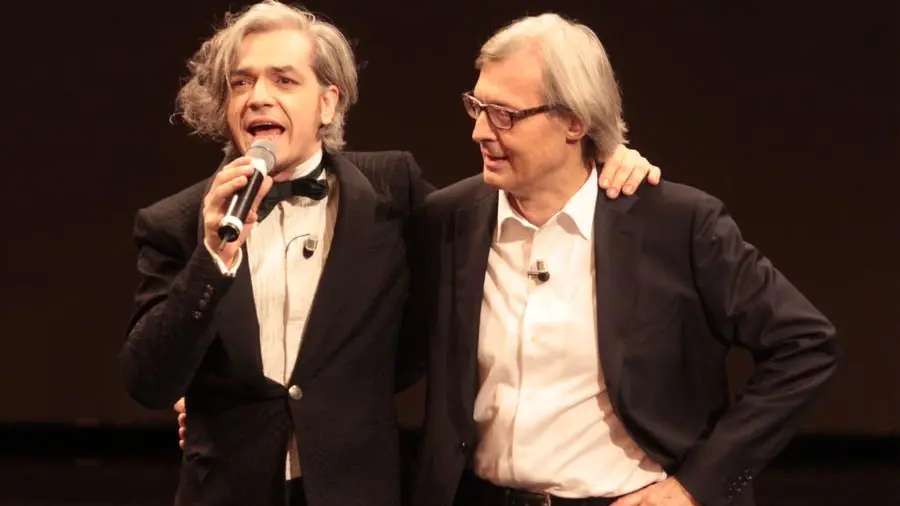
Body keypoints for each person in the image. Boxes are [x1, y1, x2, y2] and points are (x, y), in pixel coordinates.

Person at [121, 1, 661, 505]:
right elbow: (149, 381)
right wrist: (211, 258)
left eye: (283, 79)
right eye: (241, 82)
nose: (258, 96)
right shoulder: (177, 221)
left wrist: (605, 158)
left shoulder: (391, 190)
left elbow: (470, 275)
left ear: (328, 101)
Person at [409, 13, 838, 506]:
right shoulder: (448, 219)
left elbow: (806, 345)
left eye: (504, 114)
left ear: (574, 121)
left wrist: (697, 486)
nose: (480, 132)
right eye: (477, 107)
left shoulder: (675, 225)